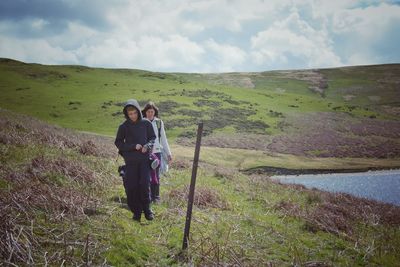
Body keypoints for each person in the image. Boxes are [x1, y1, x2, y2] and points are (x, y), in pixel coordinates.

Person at [115, 99, 156, 222]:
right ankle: (136, 213)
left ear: (138, 111)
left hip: (144, 161)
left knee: (144, 185)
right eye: (130, 114)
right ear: (126, 114)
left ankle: (147, 210)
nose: (132, 116)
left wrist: (147, 146)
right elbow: (118, 142)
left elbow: (152, 138)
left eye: (134, 113)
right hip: (130, 162)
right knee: (132, 187)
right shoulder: (123, 127)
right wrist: (133, 146)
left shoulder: (146, 124)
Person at [142, 102, 172, 203]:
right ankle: (148, 196)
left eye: (152, 111)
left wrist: (169, 153)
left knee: (156, 175)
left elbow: (163, 138)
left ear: (155, 112)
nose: (150, 113)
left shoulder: (159, 122)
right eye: (148, 111)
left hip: (157, 152)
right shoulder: (141, 122)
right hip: (145, 152)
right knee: (146, 175)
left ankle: (156, 197)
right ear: (145, 112)